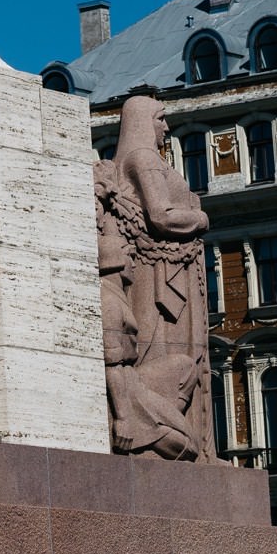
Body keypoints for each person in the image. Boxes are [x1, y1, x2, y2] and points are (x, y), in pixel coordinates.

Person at [98, 94, 210, 459]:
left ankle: (171, 438)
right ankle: (161, 438)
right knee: (172, 353)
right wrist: (200, 218)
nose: (166, 127)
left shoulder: (138, 159)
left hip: (164, 267)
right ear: (143, 121)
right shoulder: (144, 159)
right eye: (161, 119)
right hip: (163, 273)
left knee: (174, 355)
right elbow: (161, 216)